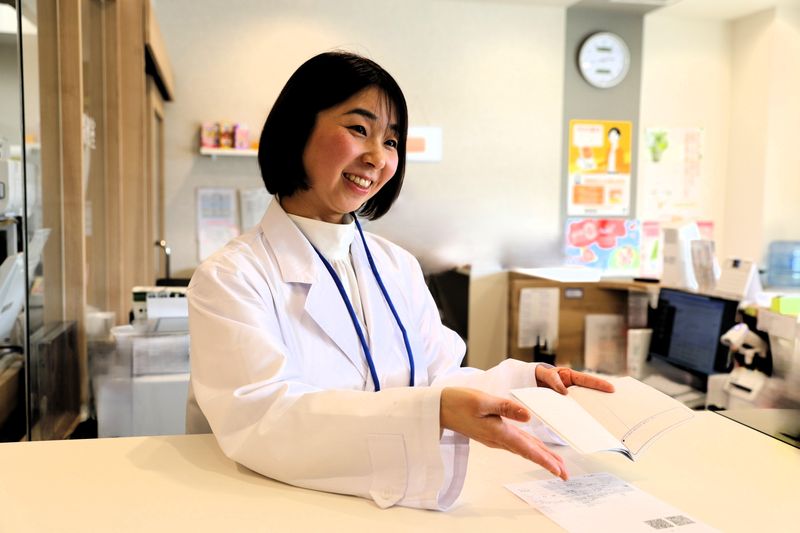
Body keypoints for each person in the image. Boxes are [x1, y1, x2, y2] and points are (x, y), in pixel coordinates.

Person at [186, 51, 614, 510]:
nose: (378, 157)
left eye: (391, 141)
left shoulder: (397, 266)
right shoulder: (231, 277)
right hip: (284, 508)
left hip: (393, 507)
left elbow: (439, 377)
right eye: (358, 129)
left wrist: (524, 387)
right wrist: (429, 412)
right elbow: (262, 420)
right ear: (297, 129)